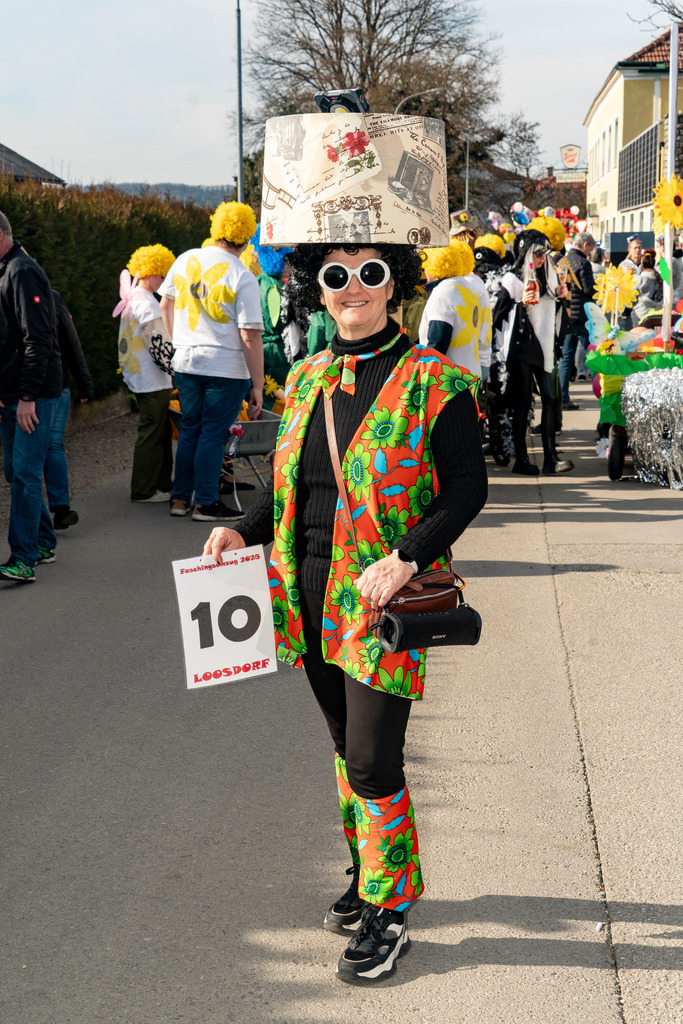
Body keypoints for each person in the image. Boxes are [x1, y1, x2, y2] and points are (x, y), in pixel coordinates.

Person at [202, 243, 487, 984]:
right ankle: (366, 876)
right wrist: (242, 528)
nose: (352, 287)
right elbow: (292, 485)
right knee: (341, 743)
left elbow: (465, 488)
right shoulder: (307, 376)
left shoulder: (438, 382)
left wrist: (409, 558)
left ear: (396, 283)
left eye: (370, 272)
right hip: (308, 594)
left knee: (372, 757)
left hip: (379, 597)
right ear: (317, 291)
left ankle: (389, 908)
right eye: (336, 275)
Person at [159, 202, 264, 522]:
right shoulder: (242, 276)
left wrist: (179, 342)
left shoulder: (185, 259)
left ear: (215, 228)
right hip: (226, 367)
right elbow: (249, 336)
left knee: (190, 429)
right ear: (247, 238)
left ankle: (180, 499)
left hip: (187, 362)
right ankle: (206, 502)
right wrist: (257, 384)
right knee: (213, 434)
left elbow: (165, 304)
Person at [0, 210, 63, 582]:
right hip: (14, 393)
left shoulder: (22, 271)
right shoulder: (6, 271)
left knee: (23, 473)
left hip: (33, 394)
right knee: (15, 471)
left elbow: (37, 340)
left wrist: (26, 396)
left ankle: (22, 559)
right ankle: (42, 542)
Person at [492, 229, 573, 476]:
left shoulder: (549, 275)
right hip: (522, 349)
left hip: (546, 348)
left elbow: (555, 313)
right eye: (538, 252)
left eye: (545, 252)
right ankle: (522, 460)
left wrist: (560, 298)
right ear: (526, 251)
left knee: (552, 397)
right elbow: (496, 316)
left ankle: (550, 457)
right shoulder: (513, 279)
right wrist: (521, 304)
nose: (542, 257)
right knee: (522, 404)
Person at [116, 244, 176, 504]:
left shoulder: (130, 300)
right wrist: (175, 370)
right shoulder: (147, 304)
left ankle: (159, 485)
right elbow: (159, 344)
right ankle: (143, 489)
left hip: (139, 377)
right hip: (152, 380)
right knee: (152, 435)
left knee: (157, 433)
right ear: (152, 272)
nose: (163, 280)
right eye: (162, 274)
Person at [46, 291, 95, 529]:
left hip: (33, 387)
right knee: (53, 445)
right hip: (56, 383)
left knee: (36, 450)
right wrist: (84, 382)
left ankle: (38, 515)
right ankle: (60, 508)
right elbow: (71, 341)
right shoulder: (52, 296)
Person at [418, 241, 491, 385]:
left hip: (448, 381)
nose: (424, 270)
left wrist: (424, 378)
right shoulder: (466, 286)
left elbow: (437, 341)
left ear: (434, 265)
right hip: (470, 373)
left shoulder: (443, 293)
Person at [557, 231, 595, 410]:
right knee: (593, 353)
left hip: (567, 313)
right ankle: (604, 392)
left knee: (566, 357)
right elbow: (588, 289)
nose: (590, 253)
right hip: (581, 315)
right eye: (591, 248)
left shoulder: (563, 260)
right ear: (585, 245)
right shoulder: (583, 263)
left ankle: (563, 397)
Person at [632, 249, 663, 326]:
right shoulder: (660, 278)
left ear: (642, 264)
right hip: (657, 316)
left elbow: (631, 297)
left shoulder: (640, 279)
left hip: (641, 316)